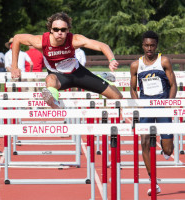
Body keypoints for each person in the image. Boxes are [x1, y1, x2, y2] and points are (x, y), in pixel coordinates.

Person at [11, 12, 122, 109]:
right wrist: (14, 67)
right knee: (50, 79)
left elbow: (102, 45)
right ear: (51, 30)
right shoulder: (41, 41)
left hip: (79, 74)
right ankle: (53, 101)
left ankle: (98, 77)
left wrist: (111, 59)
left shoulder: (75, 39)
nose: (59, 32)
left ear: (68, 30)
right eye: (56, 29)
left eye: (63, 30)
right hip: (58, 76)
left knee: (117, 96)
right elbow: (17, 38)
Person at [130, 31, 176, 196]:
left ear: (156, 45)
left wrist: (169, 104)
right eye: (146, 45)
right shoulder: (136, 65)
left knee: (169, 150)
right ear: (142, 45)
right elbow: (132, 88)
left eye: (152, 45)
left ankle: (166, 149)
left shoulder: (164, 61)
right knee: (144, 142)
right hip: (146, 108)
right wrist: (138, 105)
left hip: (163, 106)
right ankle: (153, 181)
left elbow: (173, 85)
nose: (149, 48)